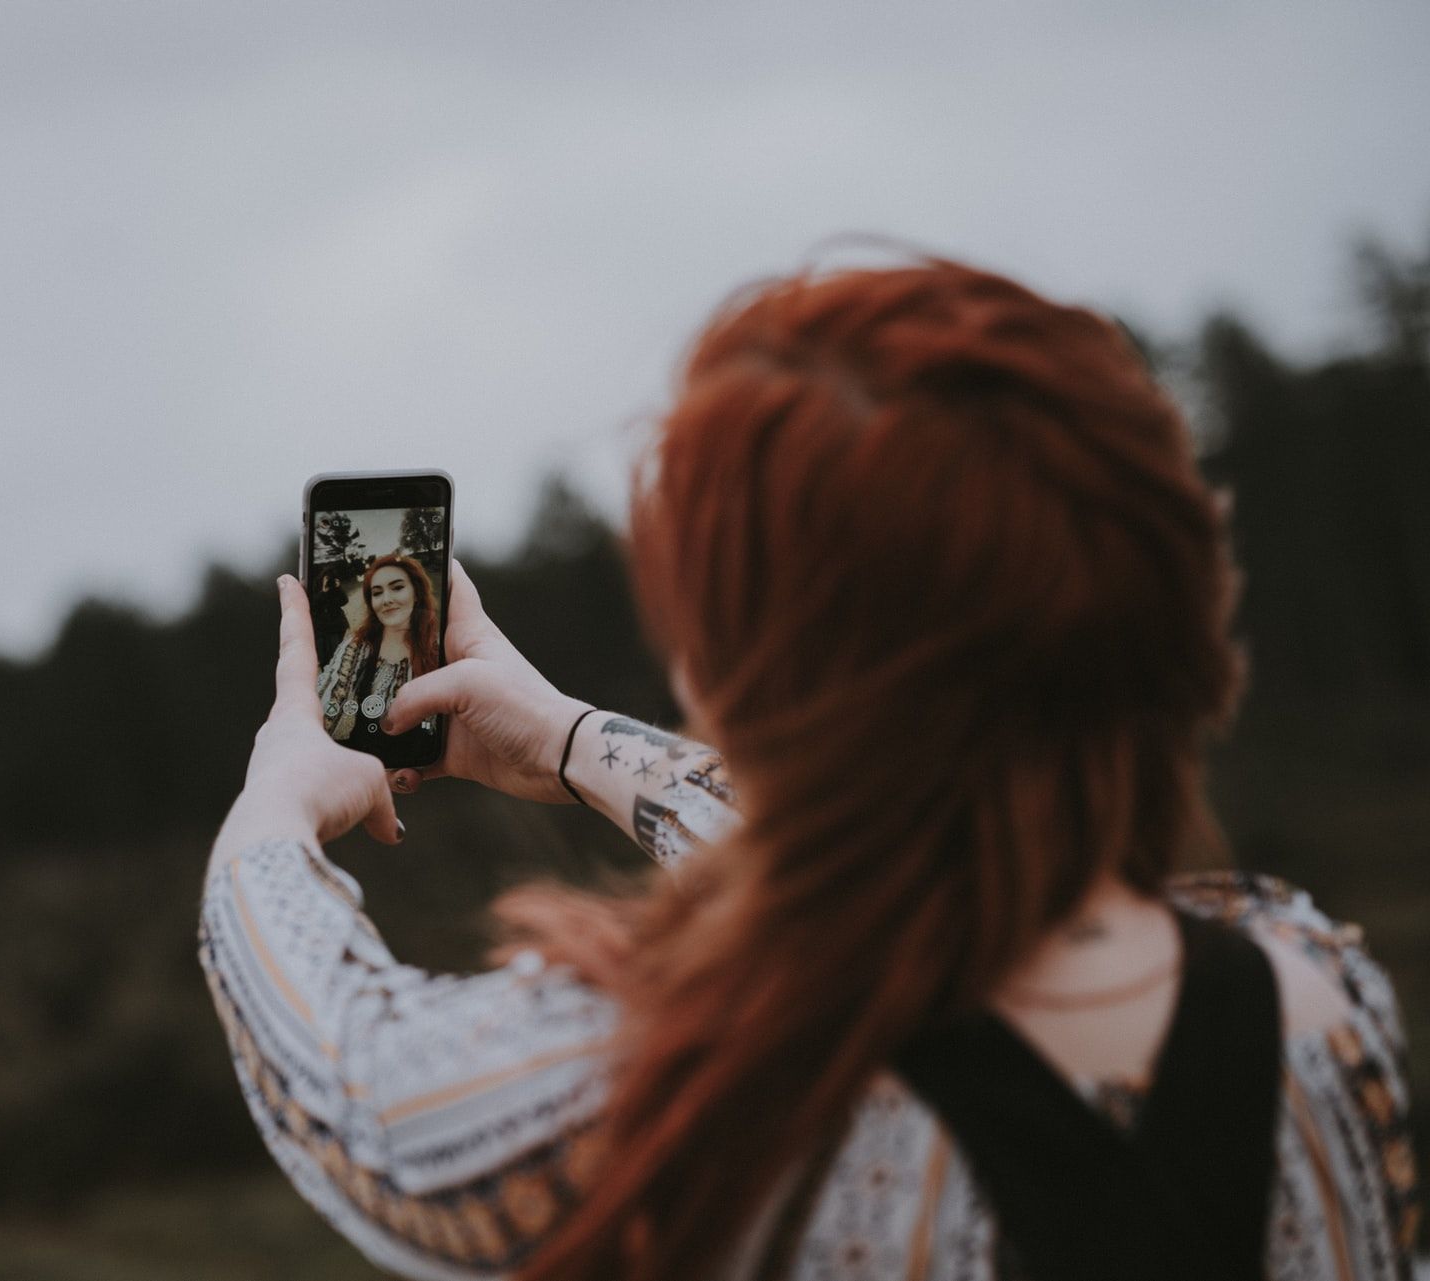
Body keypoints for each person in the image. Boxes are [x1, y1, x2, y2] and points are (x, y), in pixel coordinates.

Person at [200, 261, 1418, 1280]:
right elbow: (927, 854)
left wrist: (277, 807)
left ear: (743, 672)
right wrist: (572, 741)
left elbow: (352, 1081)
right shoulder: (1315, 1005)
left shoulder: (672, 1087)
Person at [314, 553, 441, 753]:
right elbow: (322, 720)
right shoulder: (356, 648)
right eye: (377, 592)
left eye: (397, 587)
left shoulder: (439, 650)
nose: (387, 600)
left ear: (416, 593)